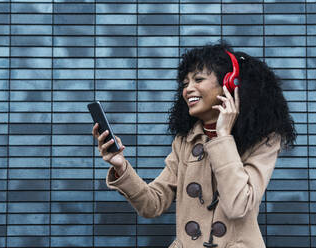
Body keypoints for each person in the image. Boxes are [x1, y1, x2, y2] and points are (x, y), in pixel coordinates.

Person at [92, 40, 297, 248]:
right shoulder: (185, 141)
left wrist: (222, 135)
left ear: (229, 84)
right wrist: (121, 167)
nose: (188, 89)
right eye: (185, 83)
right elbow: (152, 205)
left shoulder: (264, 139)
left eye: (198, 79)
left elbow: (238, 206)